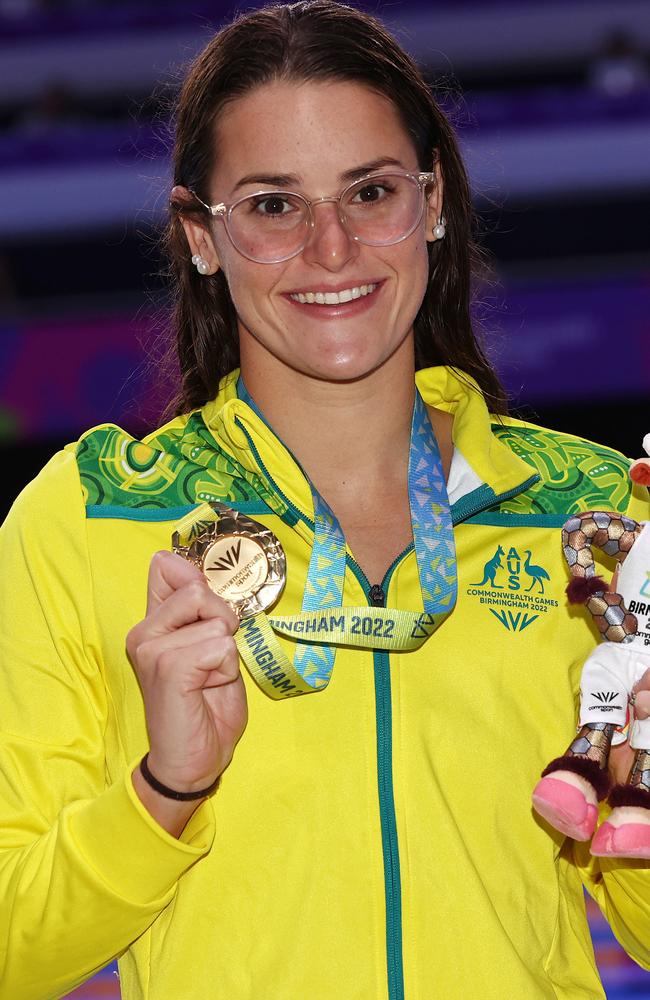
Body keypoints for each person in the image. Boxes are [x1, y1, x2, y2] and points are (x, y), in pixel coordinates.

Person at [1, 3, 649, 998]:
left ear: (429, 203)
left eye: (370, 191)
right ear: (200, 236)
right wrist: (161, 792)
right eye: (272, 204)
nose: (332, 249)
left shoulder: (600, 522)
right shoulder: (86, 519)